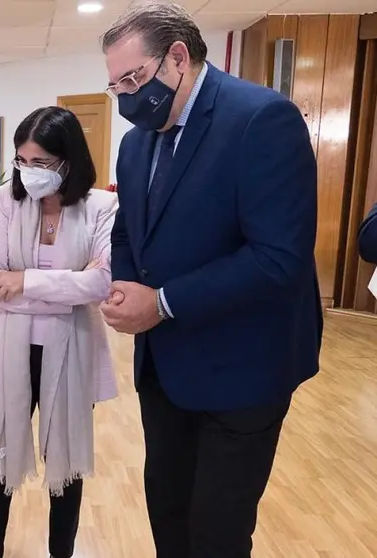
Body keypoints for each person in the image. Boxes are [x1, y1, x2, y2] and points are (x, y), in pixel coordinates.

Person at [99, 4, 322, 557]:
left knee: (217, 533)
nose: (126, 97)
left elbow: (277, 258)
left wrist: (164, 303)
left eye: (133, 79)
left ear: (177, 57)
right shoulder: (136, 143)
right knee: (167, 511)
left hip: (242, 370)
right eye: (114, 86)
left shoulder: (261, 118)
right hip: (166, 369)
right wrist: (127, 289)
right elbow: (129, 232)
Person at [0, 106, 119, 558]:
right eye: (22, 161)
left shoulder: (101, 206)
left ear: (69, 161)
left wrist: (26, 281)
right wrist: (69, 286)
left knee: (65, 462)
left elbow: (103, 283)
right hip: (6, 350)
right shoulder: (4, 201)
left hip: (71, 352)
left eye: (41, 164)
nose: (28, 173)